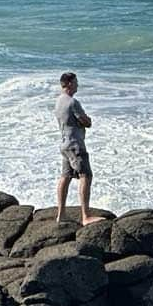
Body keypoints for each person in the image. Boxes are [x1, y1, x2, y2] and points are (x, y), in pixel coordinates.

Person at [54, 70, 97, 225]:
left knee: (65, 177)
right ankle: (86, 216)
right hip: (75, 145)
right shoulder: (73, 102)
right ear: (70, 83)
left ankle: (61, 215)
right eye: (76, 82)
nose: (78, 84)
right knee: (86, 176)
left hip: (64, 144)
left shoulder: (59, 101)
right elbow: (86, 122)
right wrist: (87, 121)